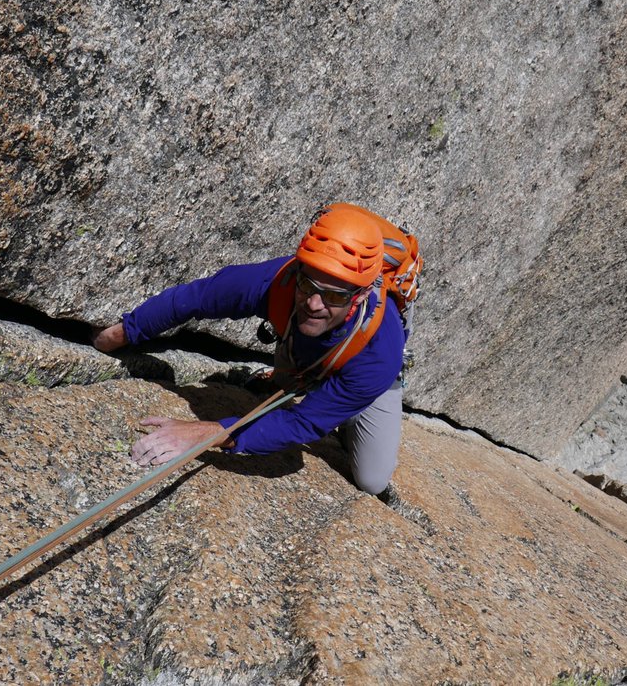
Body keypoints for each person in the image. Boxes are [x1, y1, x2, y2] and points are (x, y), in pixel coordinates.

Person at [92, 204, 407, 496]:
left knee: (371, 479)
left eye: (334, 296)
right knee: (296, 367)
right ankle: (318, 381)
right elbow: (196, 298)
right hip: (317, 347)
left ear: (361, 293)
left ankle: (354, 400)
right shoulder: (277, 281)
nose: (313, 303)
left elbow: (304, 422)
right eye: (308, 285)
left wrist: (210, 432)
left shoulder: (379, 353)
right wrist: (124, 332)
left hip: (364, 362)